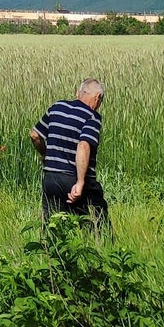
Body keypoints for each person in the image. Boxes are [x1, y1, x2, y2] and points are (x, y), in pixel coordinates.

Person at [29, 78, 109, 233]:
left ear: (77, 93)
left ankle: (49, 255)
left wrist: (44, 154)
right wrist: (80, 182)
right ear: (97, 98)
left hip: (50, 178)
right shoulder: (91, 116)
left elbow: (34, 135)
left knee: (52, 225)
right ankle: (99, 252)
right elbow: (83, 145)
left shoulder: (56, 107)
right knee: (96, 223)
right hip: (73, 180)